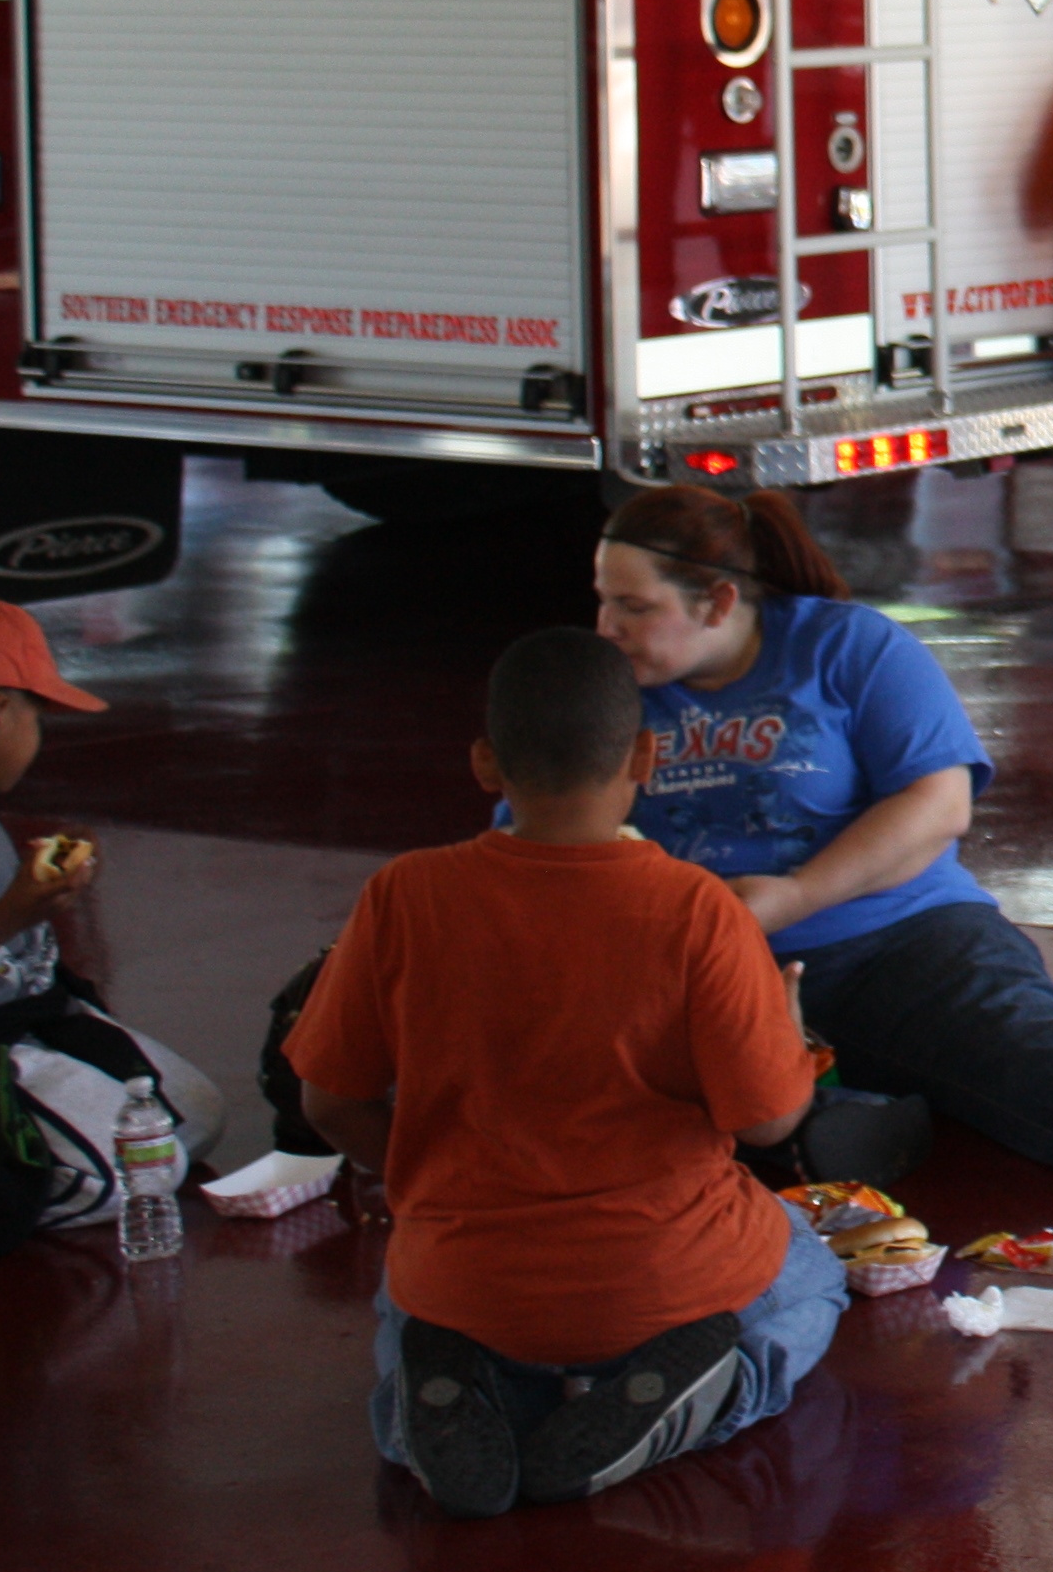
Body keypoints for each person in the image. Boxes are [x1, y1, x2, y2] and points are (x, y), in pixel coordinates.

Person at [289, 628, 842, 1519]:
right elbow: (770, 1123)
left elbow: (329, 1102)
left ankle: (439, 1401)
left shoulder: (404, 894)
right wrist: (786, 1030)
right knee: (811, 1275)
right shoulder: (697, 909)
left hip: (469, 1278)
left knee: (413, 1304)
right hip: (663, 1279)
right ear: (646, 756)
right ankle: (702, 1391)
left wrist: (430, 1181)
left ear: (484, 763)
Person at [590, 484, 1053, 1188]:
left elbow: (939, 804)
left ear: (718, 602)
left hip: (900, 935)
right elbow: (549, 834)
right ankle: (822, 1125)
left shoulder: (846, 645)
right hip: (707, 965)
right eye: (603, 600)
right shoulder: (606, 689)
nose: (607, 626)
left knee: (1002, 1036)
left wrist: (793, 896)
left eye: (634, 607)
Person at [0, 595, 226, 1227]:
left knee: (198, 1113)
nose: (40, 737)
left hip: (32, 1017)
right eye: (39, 717)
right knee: (136, 1172)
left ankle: (47, 1134)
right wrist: (16, 913)